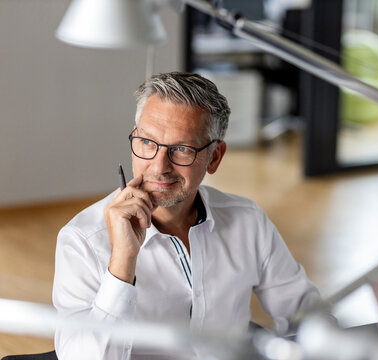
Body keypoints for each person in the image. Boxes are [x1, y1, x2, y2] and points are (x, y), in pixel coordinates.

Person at [52, 72, 320, 359]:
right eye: (147, 143)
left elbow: (306, 315)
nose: (159, 166)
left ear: (214, 157)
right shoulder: (82, 241)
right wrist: (122, 263)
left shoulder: (247, 221)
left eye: (181, 149)